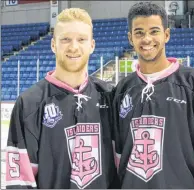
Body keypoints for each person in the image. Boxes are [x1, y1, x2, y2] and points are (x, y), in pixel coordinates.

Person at [112, 2, 194, 189]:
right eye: (139, 32)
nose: (147, 39)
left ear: (166, 35)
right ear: (130, 38)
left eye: (154, 31)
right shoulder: (122, 89)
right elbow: (116, 156)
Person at [5, 8, 118, 189]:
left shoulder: (110, 98)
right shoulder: (29, 104)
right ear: (53, 45)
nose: (73, 47)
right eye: (65, 39)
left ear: (92, 45)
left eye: (81, 39)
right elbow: (20, 181)